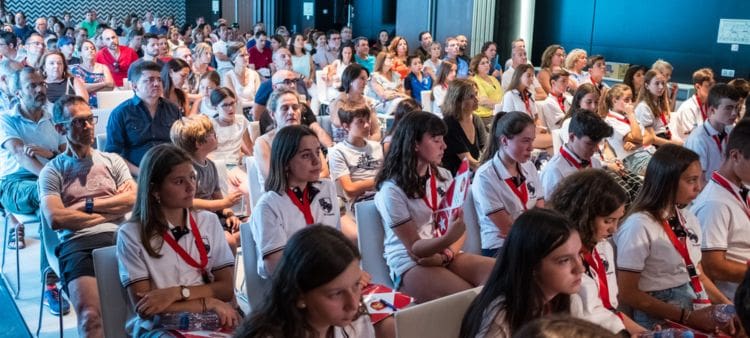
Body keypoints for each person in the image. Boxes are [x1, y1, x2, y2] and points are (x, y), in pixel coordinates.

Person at [117, 144, 241, 336]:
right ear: (154, 190)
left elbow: (225, 289)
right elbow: (147, 308)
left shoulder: (207, 221)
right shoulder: (132, 234)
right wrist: (208, 300)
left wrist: (176, 293)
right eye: (178, 181)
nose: (191, 187)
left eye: (192, 177)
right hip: (162, 326)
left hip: (211, 317)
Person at [40, 95, 136, 337]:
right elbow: (56, 219)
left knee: (151, 306)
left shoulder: (113, 161)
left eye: (90, 119)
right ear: (61, 128)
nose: (89, 126)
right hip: (77, 243)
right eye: (79, 122)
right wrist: (110, 211)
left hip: (121, 237)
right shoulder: (52, 172)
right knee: (89, 318)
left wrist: (86, 205)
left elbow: (132, 200)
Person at [375, 111, 494, 303]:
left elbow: (458, 227)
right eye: (436, 140)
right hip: (409, 261)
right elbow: (415, 247)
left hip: (444, 253)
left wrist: (445, 255)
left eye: (443, 139)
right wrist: (448, 239)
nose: (444, 146)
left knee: (502, 277)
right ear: (415, 144)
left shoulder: (444, 176)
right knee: (469, 300)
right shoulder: (392, 190)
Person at [614, 144, 733, 332]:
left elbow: (697, 271)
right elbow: (628, 293)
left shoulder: (687, 217)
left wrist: (728, 306)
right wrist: (686, 317)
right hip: (660, 315)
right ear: (668, 181)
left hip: (692, 302)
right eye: (691, 180)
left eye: (699, 178)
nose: (699, 187)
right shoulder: (639, 225)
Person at [0, 67, 69, 315]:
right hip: (15, 183)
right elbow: (20, 154)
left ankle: (78, 267)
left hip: (51, 173)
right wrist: (52, 180)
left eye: (42, 84)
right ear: (18, 92)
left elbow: (65, 153)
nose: (40, 89)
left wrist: (48, 153)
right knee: (47, 200)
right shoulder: (7, 119)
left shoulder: (53, 116)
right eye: (32, 85)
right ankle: (49, 282)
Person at [548, 169, 646, 335]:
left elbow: (609, 311)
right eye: (608, 221)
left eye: (618, 220)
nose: (614, 229)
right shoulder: (559, 258)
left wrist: (645, 333)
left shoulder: (603, 247)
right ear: (583, 215)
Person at [459, 208, 585, 338]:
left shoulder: (570, 301)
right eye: (564, 260)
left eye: (579, 254)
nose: (581, 268)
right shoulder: (502, 315)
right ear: (533, 266)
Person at [236, 225, 378, 338]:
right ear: (299, 296)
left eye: (356, 285)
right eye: (336, 294)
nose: (353, 304)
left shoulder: (357, 324)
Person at [250, 125, 339, 278]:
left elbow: (336, 241)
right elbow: (275, 267)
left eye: (317, 152)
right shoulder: (269, 205)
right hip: (292, 286)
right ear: (285, 162)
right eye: (306, 155)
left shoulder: (327, 188)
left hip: (328, 275)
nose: (317, 161)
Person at [472, 112, 544, 257]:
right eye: (525, 141)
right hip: (500, 247)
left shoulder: (529, 167)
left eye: (532, 140)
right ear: (504, 141)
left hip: (529, 237)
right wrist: (533, 224)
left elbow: (541, 210)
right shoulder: (485, 176)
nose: (531, 147)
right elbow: (507, 228)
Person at [693, 119, 750, 300]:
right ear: (735, 156)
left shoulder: (740, 188)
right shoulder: (714, 203)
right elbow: (713, 266)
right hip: (736, 301)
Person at [169, 114, 243, 252]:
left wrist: (229, 214)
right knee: (230, 242)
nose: (216, 135)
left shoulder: (211, 166)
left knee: (251, 228)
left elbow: (217, 196)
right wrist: (224, 204)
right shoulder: (187, 171)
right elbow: (191, 203)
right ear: (199, 143)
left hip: (213, 218)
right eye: (211, 134)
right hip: (195, 220)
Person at [105, 61, 182, 176]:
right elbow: (113, 154)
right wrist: (142, 173)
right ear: (134, 86)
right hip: (136, 174)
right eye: (150, 80)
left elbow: (181, 144)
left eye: (159, 79)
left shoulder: (173, 109)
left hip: (170, 171)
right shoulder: (121, 113)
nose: (156, 83)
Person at [328, 102, 384, 241]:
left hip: (382, 194)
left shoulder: (376, 147)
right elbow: (350, 189)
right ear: (346, 126)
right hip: (360, 202)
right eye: (360, 122)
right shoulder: (338, 152)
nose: (367, 125)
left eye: (367, 121)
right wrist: (379, 180)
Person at [254, 88, 329, 188]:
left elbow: (324, 172)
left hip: (311, 192)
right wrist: (307, 179)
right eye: (285, 108)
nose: (291, 112)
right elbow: (274, 181)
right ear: (273, 115)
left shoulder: (309, 137)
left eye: (295, 107)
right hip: (278, 197)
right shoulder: (263, 142)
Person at [540, 110, 611, 200]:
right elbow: (550, 209)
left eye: (597, 143)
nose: (595, 149)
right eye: (589, 144)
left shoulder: (595, 163)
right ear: (572, 137)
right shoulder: (554, 171)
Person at [685, 83, 740, 182]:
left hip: (722, 186)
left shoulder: (730, 130)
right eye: (729, 108)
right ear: (712, 111)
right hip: (706, 193)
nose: (734, 113)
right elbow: (698, 184)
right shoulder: (698, 139)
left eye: (736, 107)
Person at [441, 79, 487, 174]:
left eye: (476, 94)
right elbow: (469, 162)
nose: (476, 99)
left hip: (473, 173)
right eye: (471, 97)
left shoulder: (476, 119)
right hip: (456, 178)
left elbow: (486, 149)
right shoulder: (449, 123)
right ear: (458, 101)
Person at [329, 63, 381, 143]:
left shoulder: (369, 103)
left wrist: (366, 145)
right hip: (342, 148)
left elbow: (376, 133)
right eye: (362, 78)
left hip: (364, 146)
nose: (365, 83)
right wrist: (341, 98)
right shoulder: (337, 101)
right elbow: (338, 122)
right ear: (351, 80)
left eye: (366, 80)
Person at [635, 69, 680, 147]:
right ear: (647, 86)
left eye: (663, 83)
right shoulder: (643, 107)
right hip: (654, 145)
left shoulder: (658, 102)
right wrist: (676, 144)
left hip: (664, 138)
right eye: (657, 83)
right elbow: (652, 138)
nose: (661, 87)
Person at [69, 40, 114, 108]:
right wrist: (104, 84)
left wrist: (90, 87)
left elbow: (111, 85)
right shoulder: (75, 69)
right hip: (85, 105)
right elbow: (82, 88)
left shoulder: (103, 67)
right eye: (86, 49)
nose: (90, 50)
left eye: (92, 48)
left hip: (105, 102)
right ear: (80, 53)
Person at [675, 68, 717, 139]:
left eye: (713, 85)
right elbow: (693, 137)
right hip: (689, 146)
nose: (712, 89)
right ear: (697, 87)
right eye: (709, 86)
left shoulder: (709, 105)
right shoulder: (688, 108)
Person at [221, 42, 261, 115]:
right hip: (237, 112)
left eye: (247, 54)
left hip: (254, 110)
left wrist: (254, 106)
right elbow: (234, 102)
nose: (246, 57)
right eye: (242, 55)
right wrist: (252, 103)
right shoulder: (228, 76)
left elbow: (259, 99)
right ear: (233, 60)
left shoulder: (254, 74)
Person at [471, 53, 503, 126]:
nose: (486, 65)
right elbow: (483, 101)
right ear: (476, 67)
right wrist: (501, 106)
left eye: (487, 62)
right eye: (482, 63)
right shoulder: (475, 80)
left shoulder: (493, 78)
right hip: (484, 117)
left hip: (497, 113)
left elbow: (502, 95)